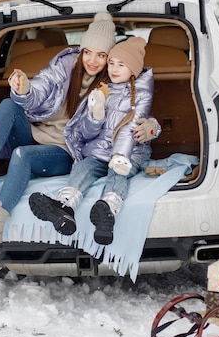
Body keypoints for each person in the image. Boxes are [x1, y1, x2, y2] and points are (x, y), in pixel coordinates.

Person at [0, 13, 160, 251]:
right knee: (9, 104)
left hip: (65, 150)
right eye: (88, 52)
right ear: (80, 50)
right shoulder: (66, 64)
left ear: (109, 58)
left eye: (102, 55)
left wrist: (142, 126)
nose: (92, 60)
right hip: (37, 133)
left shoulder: (113, 84)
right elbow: (44, 84)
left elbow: (128, 115)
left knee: (22, 154)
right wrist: (26, 88)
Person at [29, 37, 156, 245]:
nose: (114, 69)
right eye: (112, 63)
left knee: (117, 174)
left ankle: (107, 211)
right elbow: (86, 133)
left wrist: (122, 155)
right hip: (99, 150)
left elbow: (131, 126)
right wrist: (95, 114)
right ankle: (64, 207)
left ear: (133, 69)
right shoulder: (101, 88)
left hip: (129, 153)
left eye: (121, 65)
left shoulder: (141, 93)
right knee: (83, 167)